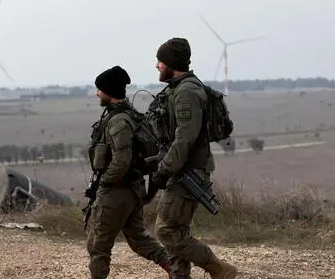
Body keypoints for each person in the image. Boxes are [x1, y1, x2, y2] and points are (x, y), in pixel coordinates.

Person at [149, 38, 239, 279]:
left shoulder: (187, 92)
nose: (157, 65)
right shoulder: (177, 89)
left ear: (170, 63)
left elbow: (184, 139)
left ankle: (220, 269)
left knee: (166, 230)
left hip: (188, 171)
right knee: (176, 230)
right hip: (181, 168)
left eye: (160, 61)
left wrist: (164, 170)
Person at [85, 65, 172, 279]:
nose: (97, 93)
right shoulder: (124, 116)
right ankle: (176, 270)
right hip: (130, 189)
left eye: (100, 89)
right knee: (139, 240)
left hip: (117, 191)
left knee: (98, 246)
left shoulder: (119, 121)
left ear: (109, 91)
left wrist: (105, 182)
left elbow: (121, 161)